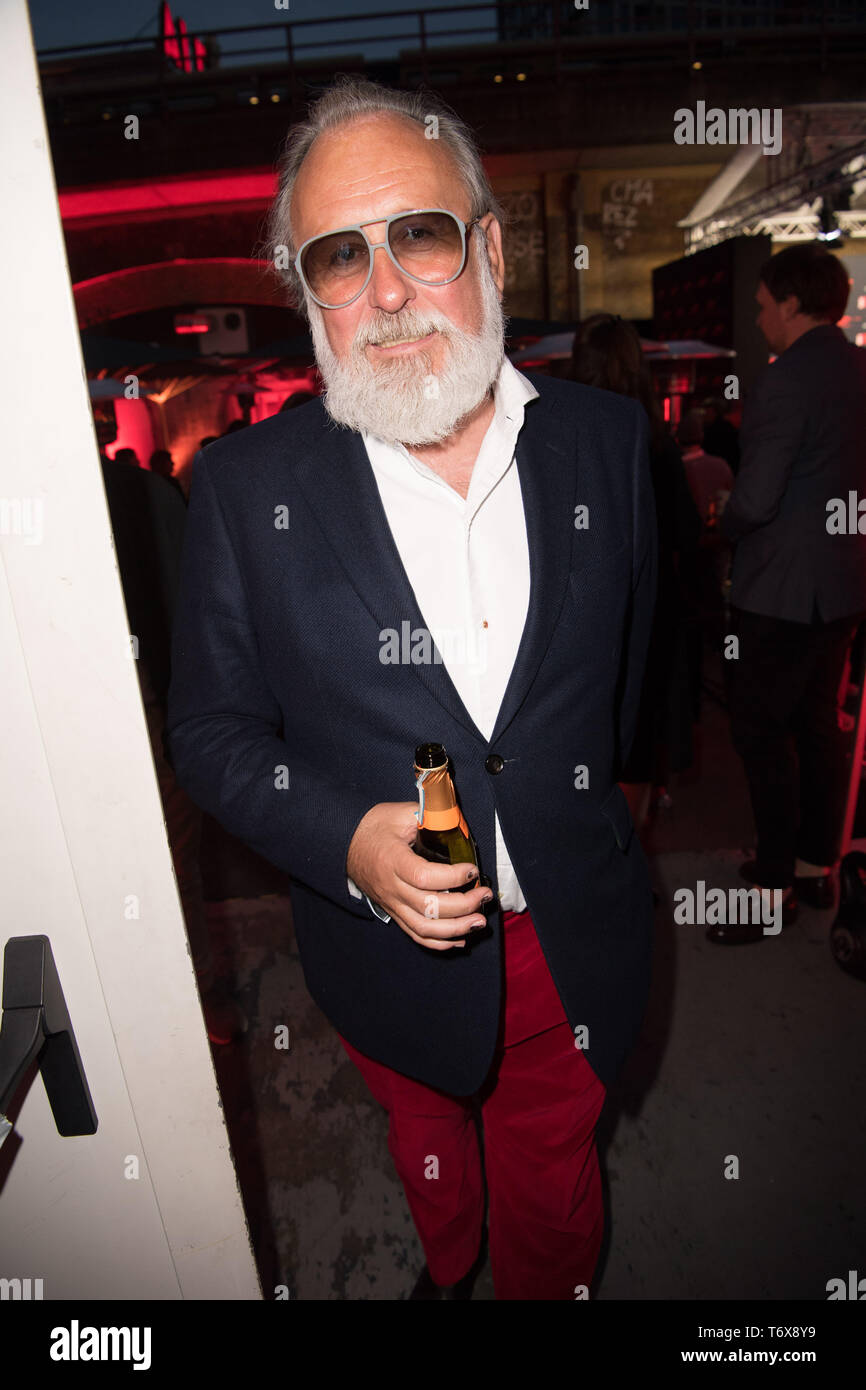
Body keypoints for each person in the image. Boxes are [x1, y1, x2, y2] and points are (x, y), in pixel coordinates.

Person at [165, 76, 657, 1301]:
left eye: (418, 236)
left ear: (489, 249)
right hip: (387, 961)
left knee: (553, 1178)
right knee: (432, 1157)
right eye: (339, 257)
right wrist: (342, 837)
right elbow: (212, 731)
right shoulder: (243, 489)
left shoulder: (606, 443)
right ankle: (449, 1264)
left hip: (573, 939)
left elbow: (634, 681)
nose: (384, 291)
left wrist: (609, 815)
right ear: (307, 295)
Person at [714, 242, 866, 945]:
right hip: (844, 583)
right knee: (818, 729)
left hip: (779, 590)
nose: (760, 317)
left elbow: (757, 499)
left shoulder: (783, 382)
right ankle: (814, 868)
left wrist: (724, 521)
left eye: (764, 305)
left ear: (793, 303)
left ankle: (771, 889)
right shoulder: (858, 369)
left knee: (762, 734)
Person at [94, 415, 246, 1044]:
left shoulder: (139, 494)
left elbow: (201, 608)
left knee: (169, 861)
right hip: (129, 709)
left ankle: (193, 997)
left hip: (153, 702)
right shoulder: (136, 492)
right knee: (154, 863)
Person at [570, 313, 701, 827]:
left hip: (582, 612)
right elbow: (686, 533)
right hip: (650, 610)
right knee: (639, 736)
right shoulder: (654, 442)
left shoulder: (565, 439)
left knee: (585, 733)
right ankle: (628, 846)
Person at [699, 395, 740, 474]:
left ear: (715, 412)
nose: (705, 414)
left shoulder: (720, 430)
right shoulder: (709, 428)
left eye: (707, 411)